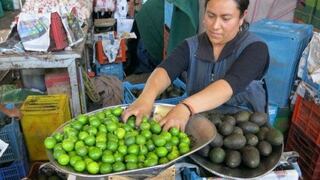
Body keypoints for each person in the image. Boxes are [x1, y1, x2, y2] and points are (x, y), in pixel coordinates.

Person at [122, 0, 269, 132]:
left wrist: (186, 107)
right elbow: (165, 69)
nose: (216, 26)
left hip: (246, 133)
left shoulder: (255, 48)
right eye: (210, 15)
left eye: (225, 18)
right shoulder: (191, 46)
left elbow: (228, 86)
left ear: (242, 17)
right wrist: (147, 96)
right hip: (201, 128)